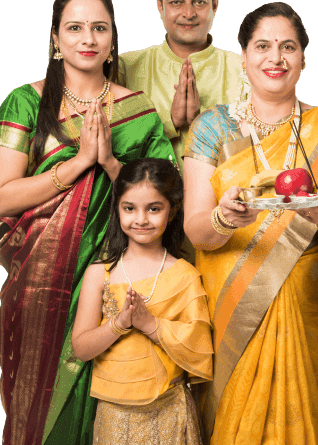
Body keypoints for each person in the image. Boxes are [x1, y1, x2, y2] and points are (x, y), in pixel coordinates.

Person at [183, 2, 318, 444]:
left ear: (303, 59)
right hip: (233, 304)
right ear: (244, 56)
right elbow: (195, 229)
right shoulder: (212, 128)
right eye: (263, 46)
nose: (275, 58)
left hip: (310, 301)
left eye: (288, 47)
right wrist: (223, 218)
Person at [0, 0, 176, 445]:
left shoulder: (140, 112)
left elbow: (170, 196)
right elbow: (1, 198)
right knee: (36, 404)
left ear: (113, 39)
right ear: (55, 39)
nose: (87, 38)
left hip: (113, 274)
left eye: (99, 28)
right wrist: (78, 164)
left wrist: (111, 165)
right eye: (75, 28)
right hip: (40, 279)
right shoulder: (26, 102)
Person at [72, 159, 213, 444]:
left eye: (154, 208)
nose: (141, 219)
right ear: (117, 209)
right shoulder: (99, 274)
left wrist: (149, 324)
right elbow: (81, 349)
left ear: (172, 211)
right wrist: (120, 323)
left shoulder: (185, 275)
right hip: (115, 414)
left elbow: (199, 350)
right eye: (129, 208)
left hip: (169, 410)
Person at [118, 0, 243, 175]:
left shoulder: (244, 68)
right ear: (160, 6)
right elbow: (114, 144)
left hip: (223, 205)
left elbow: (259, 150)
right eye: (176, 2)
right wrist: (169, 121)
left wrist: (201, 120)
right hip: (144, 206)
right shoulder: (125, 67)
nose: (188, 13)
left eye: (199, 2)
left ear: (215, 5)